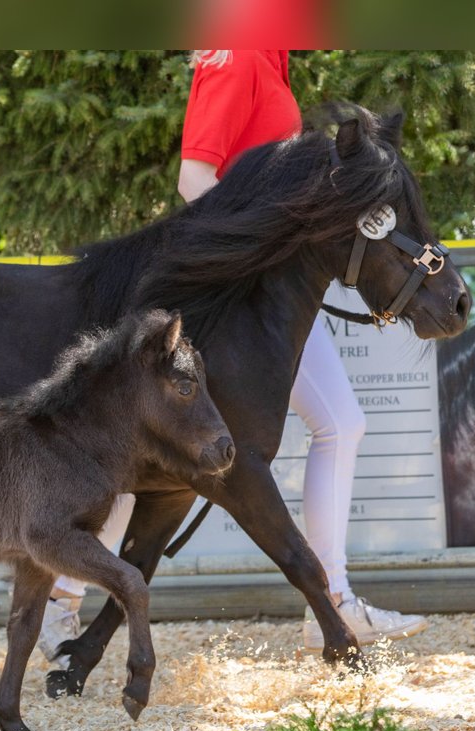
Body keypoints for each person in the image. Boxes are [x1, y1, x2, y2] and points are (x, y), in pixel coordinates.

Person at [178, 49, 426, 650]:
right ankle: (62, 603)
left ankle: (335, 604)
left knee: (342, 422)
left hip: (271, 285)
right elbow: (193, 181)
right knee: (144, 445)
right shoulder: (237, 57)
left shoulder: (270, 57)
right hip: (235, 286)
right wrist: (259, 248)